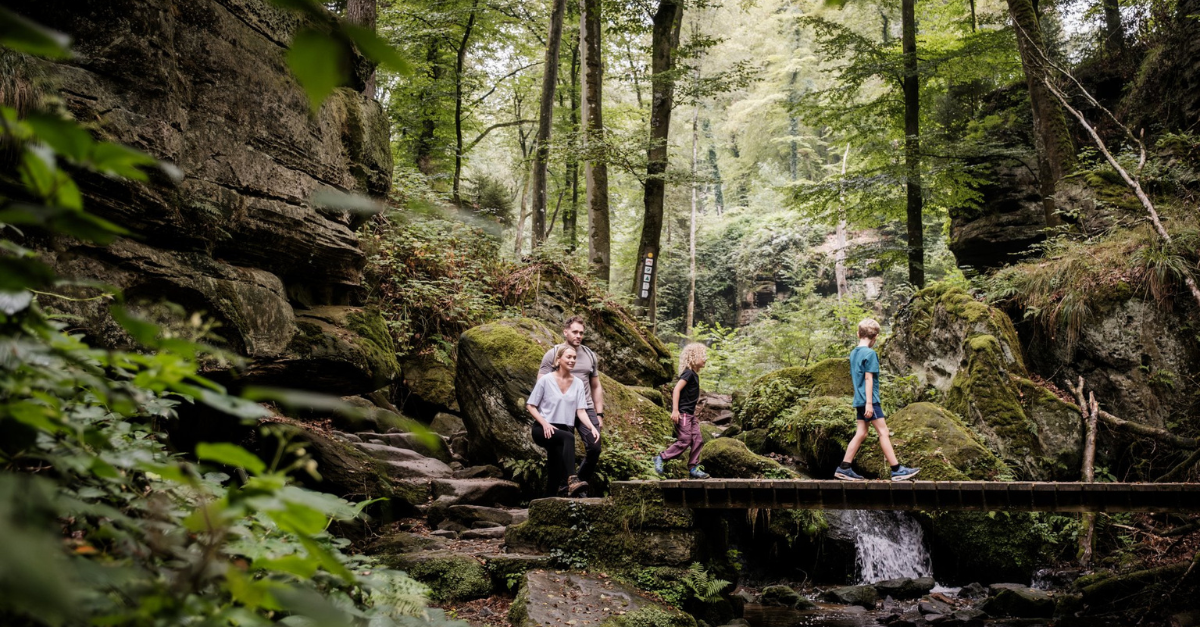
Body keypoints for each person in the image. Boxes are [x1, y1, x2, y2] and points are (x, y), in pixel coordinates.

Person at [834, 318, 921, 481]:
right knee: (883, 432)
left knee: (861, 432)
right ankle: (896, 469)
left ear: (858, 334)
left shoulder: (854, 353)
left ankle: (844, 467)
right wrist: (869, 403)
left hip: (859, 399)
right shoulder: (870, 353)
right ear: (875, 338)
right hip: (869, 400)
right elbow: (868, 379)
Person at [538, 315, 605, 493]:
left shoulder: (590, 355)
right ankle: (568, 487)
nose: (578, 335)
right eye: (574, 332)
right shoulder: (554, 354)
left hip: (586, 407)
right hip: (562, 409)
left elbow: (596, 386)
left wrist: (599, 414)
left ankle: (573, 484)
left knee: (595, 447)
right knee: (562, 449)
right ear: (565, 332)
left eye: (581, 333)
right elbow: (541, 383)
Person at [527, 344, 601, 497]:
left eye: (574, 357)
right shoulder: (546, 380)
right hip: (543, 428)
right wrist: (545, 423)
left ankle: (547, 504)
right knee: (568, 437)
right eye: (569, 357)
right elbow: (531, 405)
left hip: (563, 429)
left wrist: (591, 427)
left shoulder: (578, 384)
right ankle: (573, 480)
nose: (572, 360)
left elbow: (580, 411)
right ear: (559, 359)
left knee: (555, 468)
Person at [653, 343, 710, 479]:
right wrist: (675, 410)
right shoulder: (688, 374)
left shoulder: (694, 375)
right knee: (685, 439)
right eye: (703, 356)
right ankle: (661, 457)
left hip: (690, 416)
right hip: (683, 414)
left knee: (698, 440)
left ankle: (693, 467)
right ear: (693, 357)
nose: (705, 359)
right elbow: (676, 389)